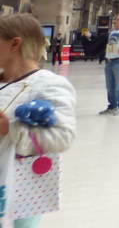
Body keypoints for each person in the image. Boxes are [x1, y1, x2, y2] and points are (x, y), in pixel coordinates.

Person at [0, 14, 77, 228]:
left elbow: (63, 136)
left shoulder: (48, 85)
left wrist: (10, 128)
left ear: (14, 43)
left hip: (17, 188)